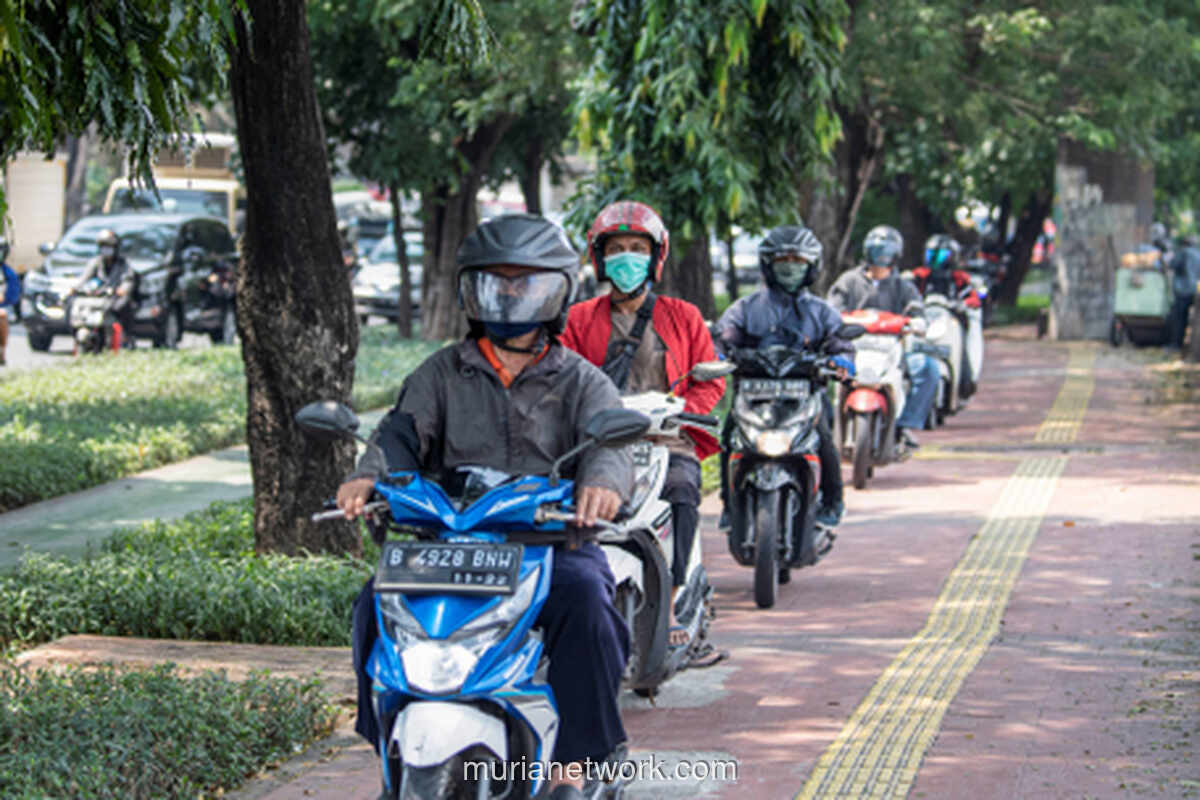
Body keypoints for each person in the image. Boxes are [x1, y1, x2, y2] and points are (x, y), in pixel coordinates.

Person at [336, 214, 633, 800]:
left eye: (526, 283)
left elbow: (609, 446)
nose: (511, 295)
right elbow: (400, 436)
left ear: (557, 292)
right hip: (449, 545)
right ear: (472, 290)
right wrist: (366, 478)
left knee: (590, 605)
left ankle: (579, 762)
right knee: (373, 605)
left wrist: (601, 484)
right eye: (497, 282)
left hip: (547, 545)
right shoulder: (441, 372)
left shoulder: (582, 379)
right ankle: (387, 739)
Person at [560, 200, 724, 648]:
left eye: (637, 247)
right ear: (599, 257)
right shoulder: (577, 320)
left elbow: (710, 380)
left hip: (666, 440)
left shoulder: (683, 316)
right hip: (598, 444)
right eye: (617, 248)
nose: (627, 257)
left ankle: (671, 600)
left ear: (655, 256)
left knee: (684, 489)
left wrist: (681, 411)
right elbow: (560, 379)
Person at [713, 224, 854, 528]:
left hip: (806, 396)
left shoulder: (822, 311)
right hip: (753, 397)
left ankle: (833, 501)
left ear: (812, 267)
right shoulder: (745, 308)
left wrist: (842, 359)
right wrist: (718, 354)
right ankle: (728, 503)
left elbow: (839, 341)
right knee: (728, 436)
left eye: (798, 262)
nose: (790, 269)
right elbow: (724, 336)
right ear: (768, 265)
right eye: (783, 262)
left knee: (826, 439)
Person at [827, 224, 937, 448]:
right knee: (819, 375)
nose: (880, 257)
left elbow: (916, 309)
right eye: (876, 251)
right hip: (853, 347)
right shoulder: (848, 281)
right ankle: (825, 424)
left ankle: (904, 425)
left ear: (895, 256)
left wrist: (916, 322)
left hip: (891, 350)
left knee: (928, 369)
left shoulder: (903, 286)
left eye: (886, 252)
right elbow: (832, 310)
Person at [72, 228, 137, 349]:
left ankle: (126, 339)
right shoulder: (96, 262)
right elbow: (84, 278)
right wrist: (74, 288)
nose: (106, 249)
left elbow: (128, 280)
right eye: (103, 246)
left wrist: (122, 290)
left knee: (122, 307)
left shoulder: (123, 264)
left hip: (115, 298)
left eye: (109, 246)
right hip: (98, 298)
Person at [911, 234, 982, 308]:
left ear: (952, 257)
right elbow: (908, 293)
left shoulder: (959, 278)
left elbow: (974, 299)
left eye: (939, 255)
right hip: (925, 315)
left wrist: (963, 304)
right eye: (931, 254)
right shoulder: (921, 275)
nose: (934, 259)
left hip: (951, 316)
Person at [1167, 237, 1200, 351]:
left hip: (1183, 290)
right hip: (1195, 290)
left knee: (1180, 319)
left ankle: (1176, 345)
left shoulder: (1183, 252)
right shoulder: (1198, 254)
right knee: (1194, 320)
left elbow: (1172, 264)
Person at [0, 236, 20, 366]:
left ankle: (2, 351)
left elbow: (12, 296)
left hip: (3, 306)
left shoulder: (8, 274)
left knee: (2, 315)